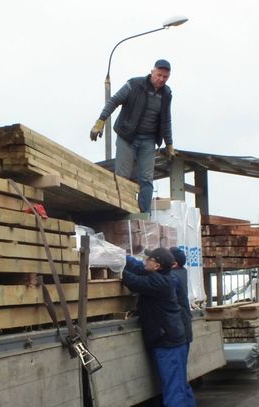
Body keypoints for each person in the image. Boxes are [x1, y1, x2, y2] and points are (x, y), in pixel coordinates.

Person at [90, 59, 177, 214]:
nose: (161, 79)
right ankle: (120, 211)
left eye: (165, 77)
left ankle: (144, 215)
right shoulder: (134, 85)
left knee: (146, 179)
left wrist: (169, 144)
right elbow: (114, 101)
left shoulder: (166, 94)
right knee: (122, 176)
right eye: (159, 75)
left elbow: (166, 120)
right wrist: (100, 121)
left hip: (148, 141)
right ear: (152, 71)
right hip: (127, 137)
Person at [122, 247, 191, 407]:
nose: (146, 260)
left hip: (167, 343)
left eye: (149, 259)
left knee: (173, 389)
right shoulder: (160, 275)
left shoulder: (161, 282)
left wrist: (117, 268)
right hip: (174, 340)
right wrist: (120, 256)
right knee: (180, 385)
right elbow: (138, 267)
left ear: (157, 266)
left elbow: (133, 281)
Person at [170, 246, 196, 406]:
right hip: (184, 331)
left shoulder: (174, 277)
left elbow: (156, 284)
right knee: (180, 376)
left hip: (180, 332)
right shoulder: (181, 271)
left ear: (174, 263)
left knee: (177, 377)